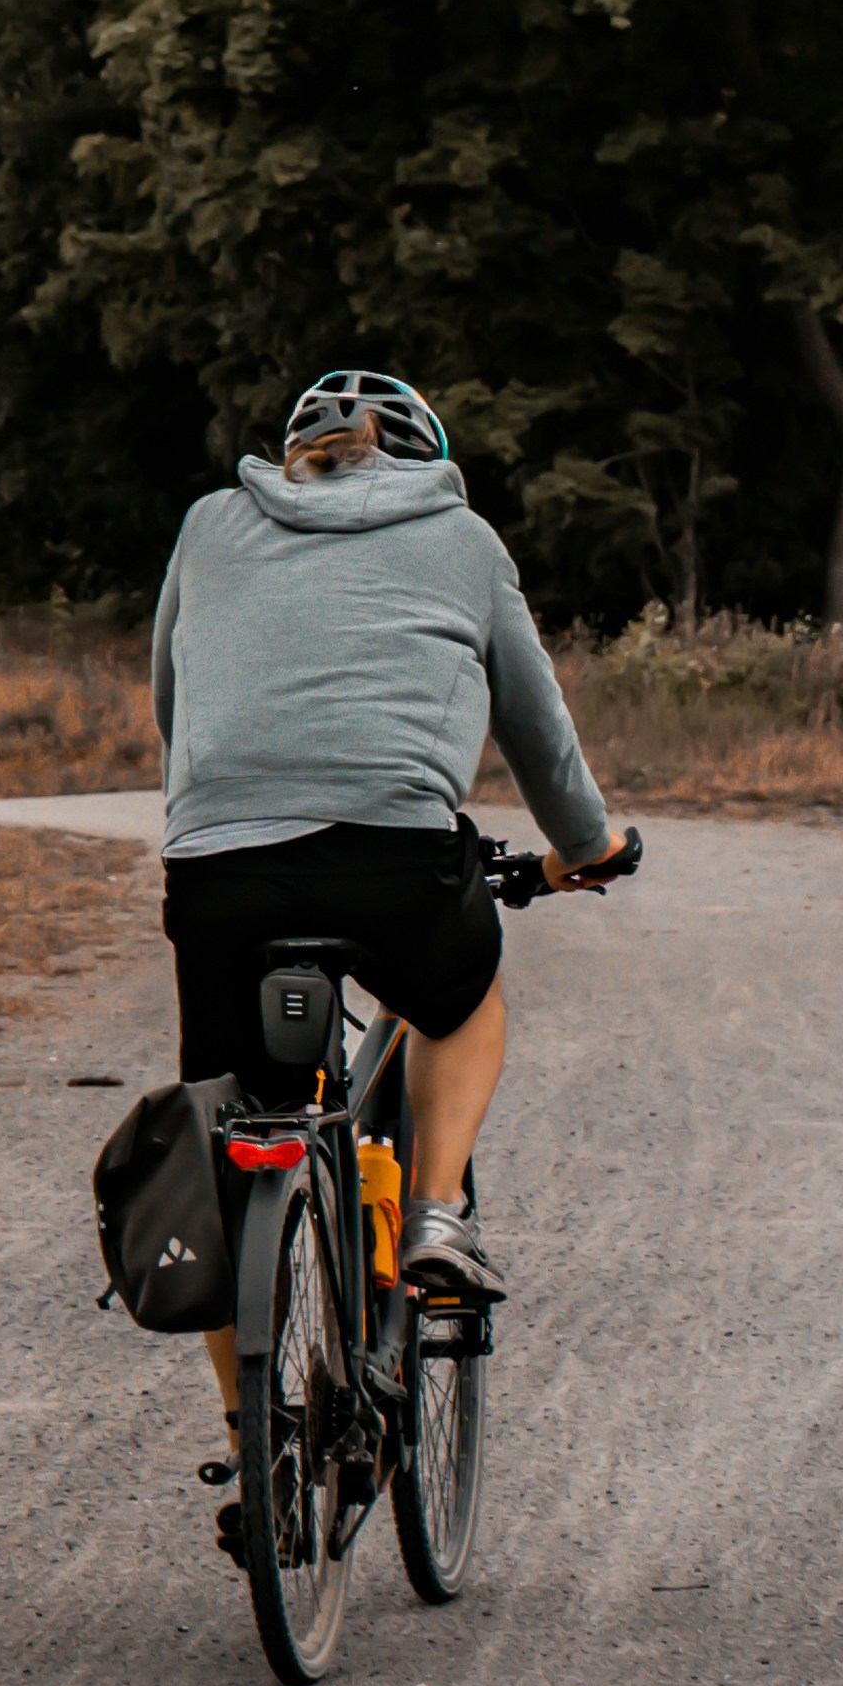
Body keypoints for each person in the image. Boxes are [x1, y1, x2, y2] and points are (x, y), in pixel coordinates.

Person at [151, 367, 622, 1320]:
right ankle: (437, 1212)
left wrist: (214, 802)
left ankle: (253, 1442)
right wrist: (586, 843)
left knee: (229, 1137)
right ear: (425, 462)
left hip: (216, 869)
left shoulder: (209, 525)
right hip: (393, 863)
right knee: (460, 1002)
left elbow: (175, 691)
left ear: (294, 458)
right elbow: (536, 725)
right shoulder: (464, 539)